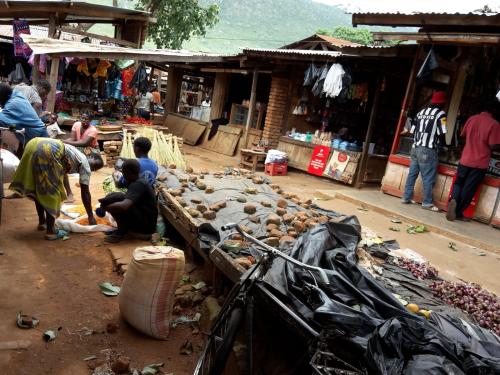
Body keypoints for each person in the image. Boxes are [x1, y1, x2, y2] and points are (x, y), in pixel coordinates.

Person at [9, 138, 103, 240]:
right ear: (91, 160)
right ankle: (51, 231)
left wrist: (69, 192)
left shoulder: (75, 154)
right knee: (52, 192)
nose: (92, 170)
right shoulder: (85, 165)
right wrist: (90, 216)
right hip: (48, 149)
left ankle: (42, 222)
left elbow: (63, 173)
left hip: (32, 144)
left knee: (38, 186)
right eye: (94, 168)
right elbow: (85, 192)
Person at [447, 101, 500, 221]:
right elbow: (493, 145)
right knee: (468, 188)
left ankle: (454, 199)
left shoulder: (472, 119)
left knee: (458, 183)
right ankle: (458, 213)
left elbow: (463, 135)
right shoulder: (494, 124)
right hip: (479, 163)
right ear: (494, 111)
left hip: (465, 158)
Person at [402, 91, 448, 211]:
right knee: (428, 177)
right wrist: (443, 146)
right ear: (441, 103)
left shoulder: (421, 112)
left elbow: (412, 131)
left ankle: (406, 197)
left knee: (412, 174)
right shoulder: (441, 114)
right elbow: (442, 133)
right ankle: (427, 202)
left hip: (415, 147)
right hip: (428, 150)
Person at [100, 159, 157, 243]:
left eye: (123, 172)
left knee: (116, 200)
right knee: (115, 196)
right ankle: (123, 229)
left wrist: (105, 208)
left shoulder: (138, 184)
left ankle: (121, 232)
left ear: (129, 172)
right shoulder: (135, 180)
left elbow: (124, 206)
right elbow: (119, 185)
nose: (122, 174)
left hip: (145, 228)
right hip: (145, 220)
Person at [0, 83, 47, 148]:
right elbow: (13, 123)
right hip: (37, 132)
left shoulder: (12, 105)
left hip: (38, 138)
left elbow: (1, 119)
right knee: (8, 127)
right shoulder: (17, 95)